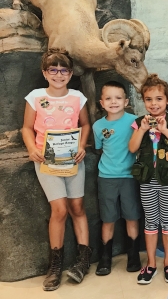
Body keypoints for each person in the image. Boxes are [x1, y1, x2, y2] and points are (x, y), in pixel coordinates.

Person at [22, 49, 91, 291]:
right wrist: (32, 148)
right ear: (45, 72)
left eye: (64, 70)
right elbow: (26, 128)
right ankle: (55, 264)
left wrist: (82, 146)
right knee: (59, 209)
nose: (59, 74)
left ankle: (83, 259)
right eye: (54, 70)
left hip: (73, 160)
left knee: (77, 207)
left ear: (70, 74)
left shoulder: (77, 97)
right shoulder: (36, 97)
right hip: (46, 161)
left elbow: (85, 124)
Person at [129, 74, 168, 284]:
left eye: (159, 99)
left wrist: (164, 131)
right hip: (147, 180)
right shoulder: (139, 123)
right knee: (151, 221)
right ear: (143, 101)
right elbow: (133, 148)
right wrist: (143, 129)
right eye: (149, 99)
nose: (154, 104)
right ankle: (151, 263)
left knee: (167, 220)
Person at [92, 81, 142, 276]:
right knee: (108, 218)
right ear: (102, 102)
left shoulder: (135, 121)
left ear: (126, 101)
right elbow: (98, 149)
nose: (114, 102)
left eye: (118, 98)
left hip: (129, 176)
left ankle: (133, 255)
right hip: (107, 177)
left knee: (132, 216)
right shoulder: (98, 126)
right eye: (109, 98)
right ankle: (105, 258)